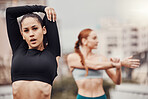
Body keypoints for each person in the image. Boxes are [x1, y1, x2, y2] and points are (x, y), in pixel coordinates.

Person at [67, 28, 140, 99]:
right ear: (84, 41)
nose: (97, 41)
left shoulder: (101, 58)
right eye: (94, 38)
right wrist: (121, 63)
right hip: (82, 97)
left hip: (101, 97)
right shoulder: (73, 58)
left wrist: (118, 68)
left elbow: (117, 81)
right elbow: (95, 66)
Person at [6, 5, 60, 99]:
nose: (31, 34)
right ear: (22, 35)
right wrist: (40, 8)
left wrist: (46, 10)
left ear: (44, 30)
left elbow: (49, 16)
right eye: (26, 30)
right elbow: (10, 13)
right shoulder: (18, 48)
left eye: (35, 28)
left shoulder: (52, 51)